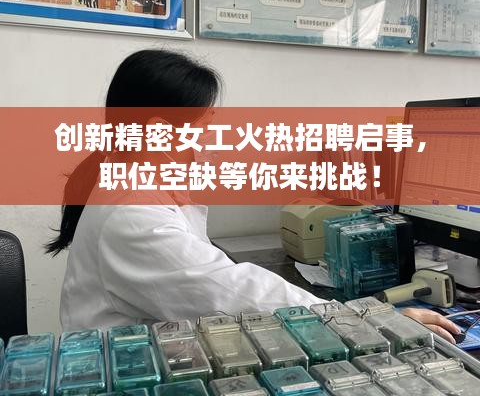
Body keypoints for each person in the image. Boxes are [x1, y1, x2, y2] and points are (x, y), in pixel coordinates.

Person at [46, 50, 461, 344]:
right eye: (207, 124)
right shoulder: (133, 216)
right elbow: (232, 292)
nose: (214, 138)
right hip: (126, 369)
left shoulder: (135, 181)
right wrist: (368, 320)